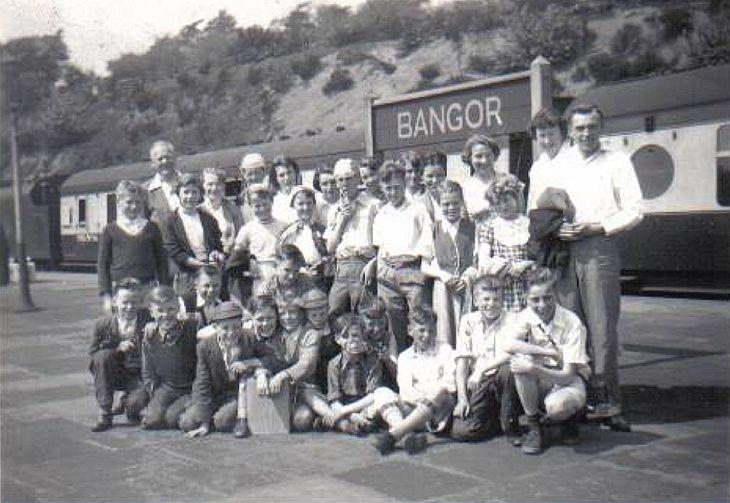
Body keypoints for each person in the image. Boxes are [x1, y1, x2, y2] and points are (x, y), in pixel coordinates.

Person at [555, 103, 643, 431]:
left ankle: (609, 403)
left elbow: (635, 210)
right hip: (564, 251)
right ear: (570, 131)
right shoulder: (560, 164)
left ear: (600, 127)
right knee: (569, 328)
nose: (586, 133)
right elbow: (543, 206)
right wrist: (556, 229)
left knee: (602, 330)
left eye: (591, 126)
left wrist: (598, 227)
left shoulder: (617, 161)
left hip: (600, 248)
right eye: (579, 128)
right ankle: (575, 402)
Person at [503, 267, 592, 454]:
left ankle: (570, 418)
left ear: (556, 294)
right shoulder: (526, 315)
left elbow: (568, 375)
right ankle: (534, 426)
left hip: (568, 380)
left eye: (548, 297)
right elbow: (508, 344)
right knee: (519, 365)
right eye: (535, 299)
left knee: (557, 407)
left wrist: (533, 368)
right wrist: (546, 352)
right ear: (526, 298)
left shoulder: (572, 322)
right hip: (544, 378)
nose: (542, 305)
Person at [364, 161, 434, 351]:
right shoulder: (381, 214)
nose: (392, 193)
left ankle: (423, 360)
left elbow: (427, 241)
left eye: (396, 187)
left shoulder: (418, 209)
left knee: (419, 320)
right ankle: (399, 368)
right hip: (387, 273)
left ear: (404, 184)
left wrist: (421, 269)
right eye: (388, 189)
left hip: (412, 269)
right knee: (393, 325)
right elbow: (380, 248)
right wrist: (377, 268)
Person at [369, 306, 456, 455]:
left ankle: (394, 435)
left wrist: (426, 398)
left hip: (438, 411)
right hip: (413, 410)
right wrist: (420, 403)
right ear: (410, 331)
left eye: (431, 331)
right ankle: (407, 436)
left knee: (440, 391)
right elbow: (405, 391)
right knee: (381, 392)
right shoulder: (405, 357)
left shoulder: (445, 350)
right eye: (422, 330)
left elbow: (450, 385)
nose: (427, 335)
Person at [179, 302, 260, 438]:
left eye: (236, 327)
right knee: (187, 423)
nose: (231, 333)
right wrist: (204, 423)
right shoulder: (204, 347)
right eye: (225, 328)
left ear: (241, 324)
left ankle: (233, 418)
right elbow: (202, 382)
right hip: (215, 394)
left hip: (237, 395)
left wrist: (250, 363)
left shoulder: (250, 339)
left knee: (221, 422)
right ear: (215, 327)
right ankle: (206, 416)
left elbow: (271, 359)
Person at [451, 275, 514, 442]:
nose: (491, 304)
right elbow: (462, 362)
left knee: (509, 370)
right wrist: (462, 398)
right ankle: (493, 420)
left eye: (496, 299)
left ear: (503, 300)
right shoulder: (467, 321)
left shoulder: (513, 320)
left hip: (503, 381)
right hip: (479, 383)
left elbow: (511, 353)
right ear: (475, 300)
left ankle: (509, 422)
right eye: (486, 299)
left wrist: (482, 369)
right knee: (460, 431)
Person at [88, 278, 150, 432]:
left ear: (140, 302)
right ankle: (104, 412)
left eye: (134, 302)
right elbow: (93, 355)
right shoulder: (102, 324)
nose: (129, 307)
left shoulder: (149, 319)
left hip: (139, 375)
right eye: (124, 303)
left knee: (135, 406)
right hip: (113, 372)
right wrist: (117, 350)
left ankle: (128, 402)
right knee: (102, 357)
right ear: (115, 302)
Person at [98, 180, 169, 313]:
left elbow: (161, 263)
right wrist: (106, 296)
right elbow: (103, 265)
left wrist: (164, 290)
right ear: (118, 202)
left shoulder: (152, 228)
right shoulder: (110, 230)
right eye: (129, 202)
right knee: (124, 328)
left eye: (138, 202)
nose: (134, 206)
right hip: (120, 291)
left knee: (148, 327)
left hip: (148, 289)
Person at [422, 181, 474, 346]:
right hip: (443, 288)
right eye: (446, 204)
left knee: (467, 330)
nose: (451, 208)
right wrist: (443, 275)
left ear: (462, 202)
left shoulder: (472, 227)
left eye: (455, 203)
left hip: (467, 286)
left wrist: (466, 278)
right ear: (439, 203)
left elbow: (478, 261)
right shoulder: (433, 229)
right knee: (445, 331)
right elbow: (424, 266)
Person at [263, 294, 325, 433]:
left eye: (292, 312)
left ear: (301, 314)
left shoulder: (310, 334)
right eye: (282, 313)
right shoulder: (275, 334)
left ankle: (319, 416)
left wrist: (282, 376)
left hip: (305, 389)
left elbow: (306, 364)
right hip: (280, 391)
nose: (287, 317)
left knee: (301, 421)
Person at [324, 158, 378, 316]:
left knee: (365, 315)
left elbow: (382, 243)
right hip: (341, 268)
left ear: (358, 178)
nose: (344, 183)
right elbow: (330, 248)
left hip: (364, 266)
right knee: (334, 313)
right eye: (340, 179)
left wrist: (373, 264)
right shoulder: (334, 210)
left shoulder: (373, 205)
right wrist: (343, 219)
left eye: (349, 178)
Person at [141, 286, 198, 430]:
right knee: (151, 421)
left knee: (171, 419)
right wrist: (154, 394)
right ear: (151, 312)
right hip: (167, 387)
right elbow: (148, 370)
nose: (166, 314)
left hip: (190, 388)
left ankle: (184, 408)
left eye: (171, 309)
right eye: (160, 310)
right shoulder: (150, 335)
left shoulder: (191, 328)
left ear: (179, 308)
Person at [475, 175, 533, 313]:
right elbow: (483, 262)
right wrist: (507, 265)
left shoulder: (529, 224)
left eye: (506, 200)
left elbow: (538, 258)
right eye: (497, 203)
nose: (503, 206)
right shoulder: (490, 226)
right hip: (501, 289)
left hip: (527, 286)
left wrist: (525, 264)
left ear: (516, 198)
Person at [161, 174, 225, 297]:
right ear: (178, 193)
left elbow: (217, 245)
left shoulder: (209, 219)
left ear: (200, 194)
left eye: (194, 192)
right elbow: (174, 251)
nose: (190, 196)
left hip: (211, 275)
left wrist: (216, 254)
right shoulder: (170, 221)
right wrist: (199, 264)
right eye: (186, 192)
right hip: (186, 276)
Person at [322, 314, 386, 435]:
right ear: (337, 339)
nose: (353, 341)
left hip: (365, 404)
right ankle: (349, 426)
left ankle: (357, 423)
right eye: (346, 336)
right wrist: (351, 415)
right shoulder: (334, 364)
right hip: (344, 405)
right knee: (330, 411)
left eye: (357, 336)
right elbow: (334, 400)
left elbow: (373, 395)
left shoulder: (372, 360)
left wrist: (350, 412)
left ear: (364, 338)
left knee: (378, 409)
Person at [227, 184, 289, 299]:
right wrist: (249, 264)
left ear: (272, 201)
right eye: (257, 206)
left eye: (265, 204)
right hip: (259, 275)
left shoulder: (283, 226)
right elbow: (237, 257)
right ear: (250, 206)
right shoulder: (247, 229)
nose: (262, 209)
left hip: (280, 272)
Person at [278, 186, 329, 286]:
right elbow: (280, 257)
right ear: (293, 205)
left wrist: (320, 265)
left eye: (309, 203)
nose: (305, 208)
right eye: (300, 204)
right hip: (294, 280)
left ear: (314, 205)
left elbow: (328, 255)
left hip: (318, 279)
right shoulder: (287, 232)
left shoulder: (322, 230)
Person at [526, 108, 570, 211]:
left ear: (561, 133)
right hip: (542, 222)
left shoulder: (573, 159)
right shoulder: (537, 167)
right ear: (535, 136)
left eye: (551, 134)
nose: (547, 140)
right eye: (542, 135)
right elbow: (532, 201)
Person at [200, 167, 243, 255]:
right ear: (203, 185)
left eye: (218, 184)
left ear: (223, 185)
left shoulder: (233, 209)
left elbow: (241, 236)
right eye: (210, 184)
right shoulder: (198, 211)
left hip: (231, 258)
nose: (214, 188)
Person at [461, 134, 502, 221]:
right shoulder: (464, 189)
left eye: (488, 155)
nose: (484, 160)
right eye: (478, 156)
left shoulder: (508, 181)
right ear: (469, 158)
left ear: (495, 156)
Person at [180, 264, 224, 331]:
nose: (211, 290)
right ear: (196, 285)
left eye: (216, 285)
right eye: (206, 286)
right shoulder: (184, 302)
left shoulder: (223, 302)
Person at [146, 140, 181, 222]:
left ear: (175, 158)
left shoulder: (191, 182)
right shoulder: (146, 191)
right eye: (160, 159)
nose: (165, 161)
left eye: (168, 157)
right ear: (153, 163)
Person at [238, 152, 269, 223]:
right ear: (243, 174)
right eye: (249, 174)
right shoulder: (241, 198)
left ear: (264, 172)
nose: (254, 177)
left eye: (257, 173)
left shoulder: (273, 194)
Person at [269, 155, 300, 224]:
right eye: (281, 175)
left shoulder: (306, 193)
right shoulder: (272, 200)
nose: (287, 178)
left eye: (289, 172)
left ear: (295, 173)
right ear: (275, 178)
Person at [421, 151, 447, 221]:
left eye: (439, 175)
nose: (435, 180)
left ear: (445, 176)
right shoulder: (419, 204)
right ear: (422, 177)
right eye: (430, 176)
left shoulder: (457, 199)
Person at [312, 163, 339, 227]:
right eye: (324, 184)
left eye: (333, 182)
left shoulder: (346, 201)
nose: (330, 187)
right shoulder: (315, 205)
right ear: (319, 185)